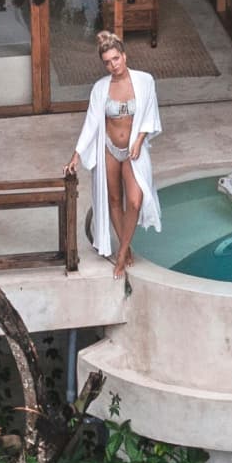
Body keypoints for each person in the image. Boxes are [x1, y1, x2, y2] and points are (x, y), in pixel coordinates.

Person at [74, 26, 163, 280]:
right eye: (107, 62)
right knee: (114, 200)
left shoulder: (145, 81)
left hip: (133, 149)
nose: (113, 65)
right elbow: (92, 122)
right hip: (110, 150)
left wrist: (139, 140)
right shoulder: (100, 89)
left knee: (134, 200)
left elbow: (150, 115)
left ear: (124, 56)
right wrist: (77, 153)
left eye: (116, 58)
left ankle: (121, 253)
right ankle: (126, 247)